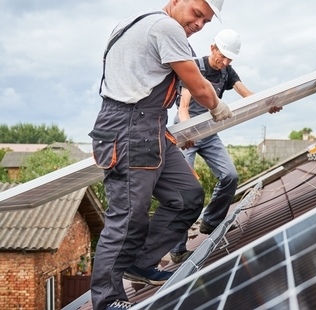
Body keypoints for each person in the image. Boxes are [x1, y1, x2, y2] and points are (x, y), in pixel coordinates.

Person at [88, 1, 232, 309]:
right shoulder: (165, 27)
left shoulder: (138, 24)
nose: (199, 24)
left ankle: (139, 263)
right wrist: (217, 106)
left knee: (187, 196)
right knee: (127, 217)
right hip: (128, 127)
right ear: (177, 0)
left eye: (206, 21)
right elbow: (196, 81)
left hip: (151, 126)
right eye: (197, 13)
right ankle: (107, 300)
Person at [169, 29, 281, 264]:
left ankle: (210, 221)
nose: (226, 62)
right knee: (185, 190)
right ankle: (178, 249)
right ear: (213, 48)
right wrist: (188, 132)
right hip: (187, 133)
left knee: (230, 175)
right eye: (223, 56)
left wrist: (267, 104)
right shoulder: (195, 67)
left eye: (230, 59)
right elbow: (184, 108)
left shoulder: (227, 71)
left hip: (209, 133)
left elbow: (246, 94)